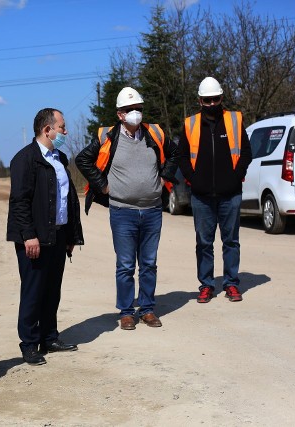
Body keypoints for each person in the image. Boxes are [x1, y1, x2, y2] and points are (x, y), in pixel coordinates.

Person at [76, 87, 179, 331]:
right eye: (130, 110)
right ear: (120, 114)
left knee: (149, 263)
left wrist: (165, 176)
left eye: (139, 109)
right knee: (125, 265)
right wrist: (102, 186)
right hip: (123, 212)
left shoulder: (154, 133)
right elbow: (83, 160)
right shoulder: (108, 137)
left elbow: (175, 154)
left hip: (153, 210)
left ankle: (147, 309)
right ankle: (126, 312)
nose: (136, 113)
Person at [7, 108, 84, 366]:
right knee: (33, 292)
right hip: (35, 239)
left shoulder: (60, 157)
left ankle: (49, 337)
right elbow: (19, 202)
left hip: (57, 235)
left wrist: (72, 234)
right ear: (47, 129)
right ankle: (29, 344)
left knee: (52, 290)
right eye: (62, 127)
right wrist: (29, 236)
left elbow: (68, 199)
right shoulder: (25, 159)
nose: (65, 132)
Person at [178, 77, 252, 303]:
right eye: (207, 100)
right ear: (200, 100)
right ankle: (206, 285)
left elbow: (247, 153)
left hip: (230, 194)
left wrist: (235, 177)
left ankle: (231, 284)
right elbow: (181, 156)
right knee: (204, 243)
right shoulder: (190, 124)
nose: (211, 104)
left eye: (215, 99)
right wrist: (193, 180)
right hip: (201, 196)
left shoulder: (234, 120)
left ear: (221, 98)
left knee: (231, 241)